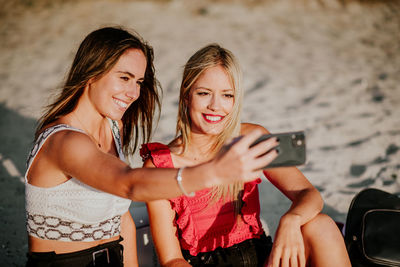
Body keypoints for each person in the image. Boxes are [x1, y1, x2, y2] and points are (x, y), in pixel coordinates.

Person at [24, 27, 279, 267]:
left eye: (138, 81)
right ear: (91, 71)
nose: (133, 93)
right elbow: (129, 184)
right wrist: (212, 173)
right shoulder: (65, 141)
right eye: (124, 78)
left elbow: (120, 219)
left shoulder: (113, 127)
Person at [142, 44, 352, 267]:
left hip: (260, 258)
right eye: (204, 93)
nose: (215, 106)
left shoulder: (252, 138)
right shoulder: (159, 167)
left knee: (321, 225)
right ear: (186, 95)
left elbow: (309, 194)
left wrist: (291, 220)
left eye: (227, 95)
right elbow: (171, 259)